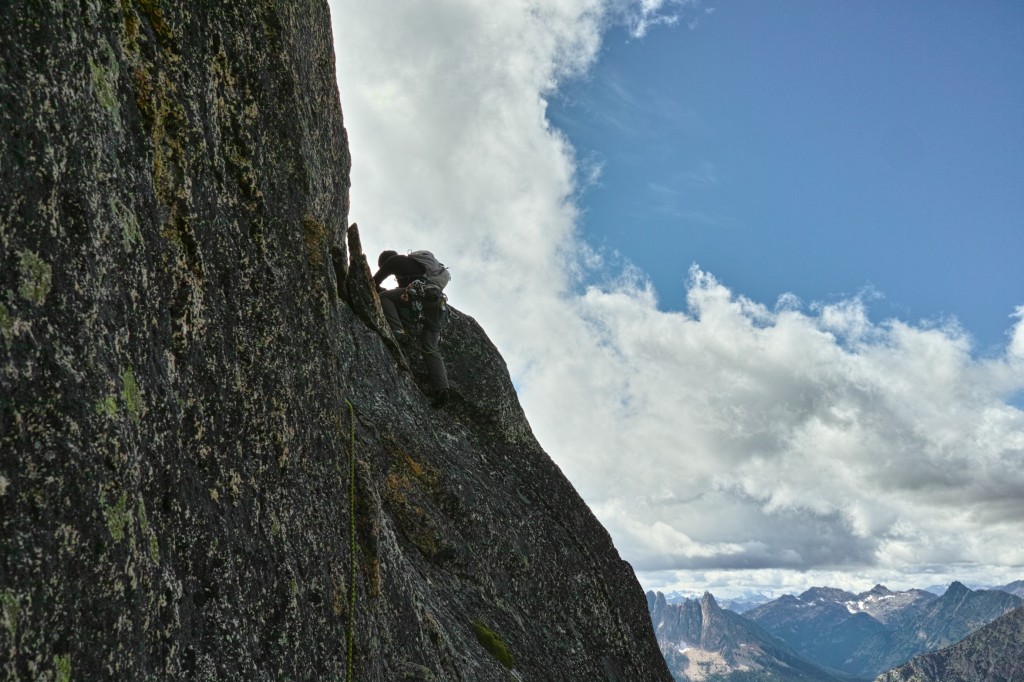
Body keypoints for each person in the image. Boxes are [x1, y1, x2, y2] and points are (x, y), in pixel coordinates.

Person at [372, 250, 450, 407]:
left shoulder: (395, 261)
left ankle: (398, 331)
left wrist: (380, 289)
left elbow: (373, 281)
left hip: (421, 296)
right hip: (437, 304)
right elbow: (402, 294)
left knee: (384, 298)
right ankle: (442, 390)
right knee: (430, 347)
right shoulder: (417, 270)